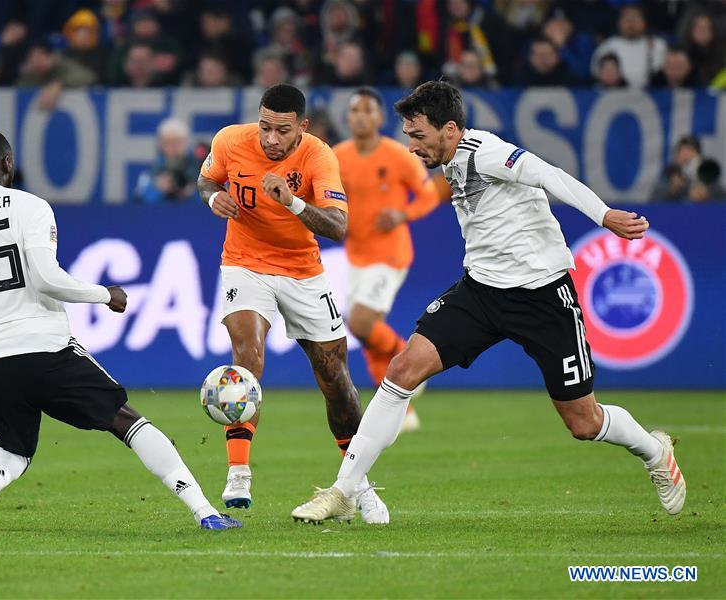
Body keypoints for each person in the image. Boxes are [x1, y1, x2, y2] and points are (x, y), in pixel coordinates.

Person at [291, 81, 685, 523]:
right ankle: (344, 491)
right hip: (481, 291)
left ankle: (655, 451)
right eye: (408, 135)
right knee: (402, 370)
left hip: (542, 296)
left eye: (418, 135)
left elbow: (549, 174)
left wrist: (604, 215)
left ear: (450, 129)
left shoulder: (488, 152)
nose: (411, 146)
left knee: (584, 422)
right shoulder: (446, 159)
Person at [0, 129, 241, 531]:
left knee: (14, 447)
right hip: (44, 349)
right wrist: (105, 294)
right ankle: (205, 511)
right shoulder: (31, 207)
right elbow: (46, 279)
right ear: (8, 165)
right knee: (126, 421)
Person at [198, 84, 388, 523]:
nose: (270, 139)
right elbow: (206, 178)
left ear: (302, 127)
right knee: (247, 358)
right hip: (244, 263)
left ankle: (357, 485)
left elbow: (338, 227)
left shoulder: (318, 156)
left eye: (281, 131)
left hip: (303, 272)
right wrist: (212, 197)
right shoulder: (230, 140)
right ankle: (238, 472)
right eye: (264, 127)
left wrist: (292, 201)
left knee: (336, 379)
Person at [333, 87, 445, 433]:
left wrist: (402, 214)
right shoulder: (337, 156)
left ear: (380, 118)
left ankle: (411, 362)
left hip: (389, 254)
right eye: (355, 110)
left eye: (367, 110)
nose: (360, 116)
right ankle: (402, 409)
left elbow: (428, 194)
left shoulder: (398, 155)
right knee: (368, 337)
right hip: (356, 255)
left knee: (361, 323)